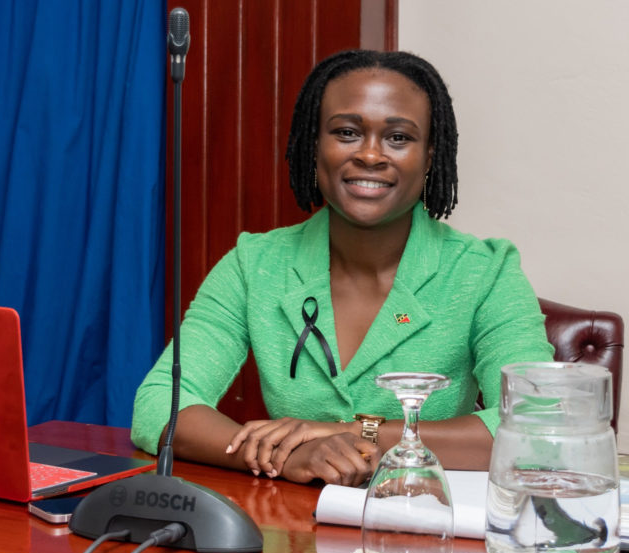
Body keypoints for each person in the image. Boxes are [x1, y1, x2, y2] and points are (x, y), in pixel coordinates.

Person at [132, 49, 554, 486]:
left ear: (430, 156)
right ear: (313, 146)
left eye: (398, 138)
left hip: (423, 530)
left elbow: (537, 428)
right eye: (347, 132)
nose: (371, 155)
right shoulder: (253, 265)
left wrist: (350, 435)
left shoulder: (485, 272)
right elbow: (159, 404)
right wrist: (287, 456)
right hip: (287, 535)